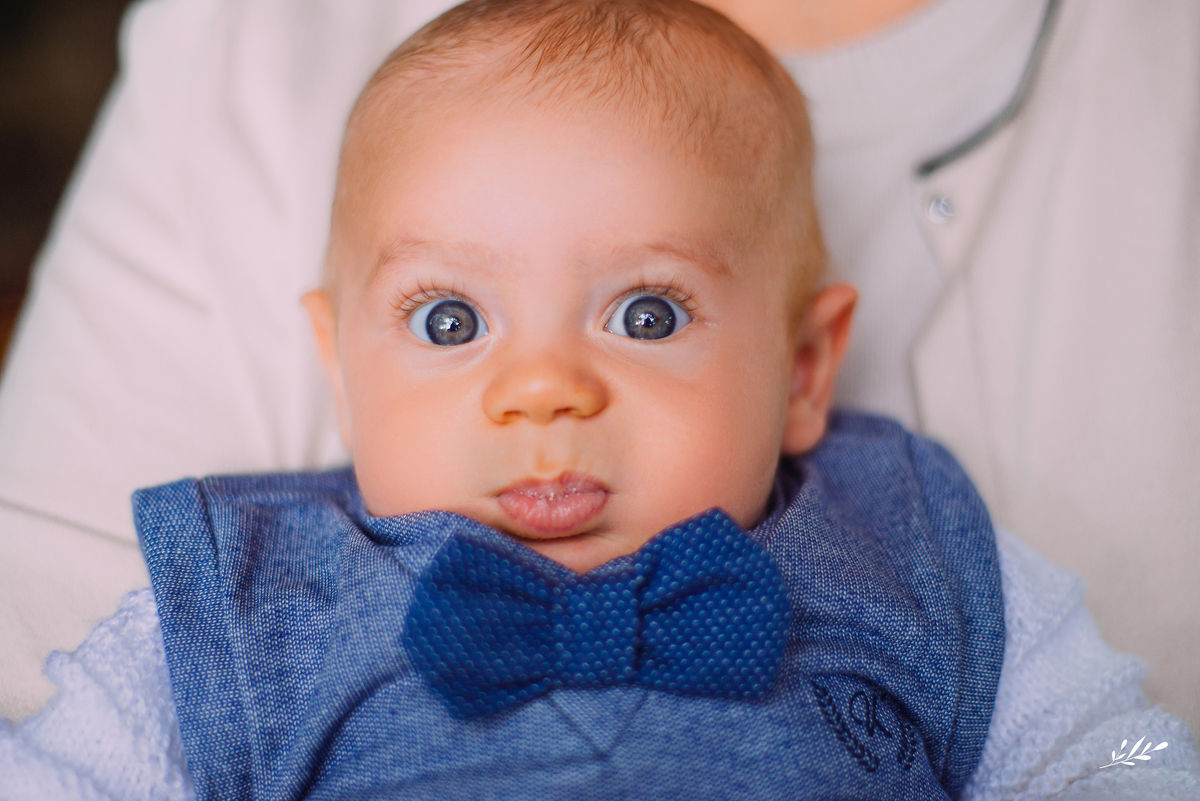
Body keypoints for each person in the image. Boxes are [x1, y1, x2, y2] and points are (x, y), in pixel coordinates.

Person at [2, 1, 1198, 798]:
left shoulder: (918, 551)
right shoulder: (245, 595)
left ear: (802, 370)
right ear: (340, 369)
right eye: (449, 321)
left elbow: (1115, 753)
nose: (543, 392)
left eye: (647, 314)